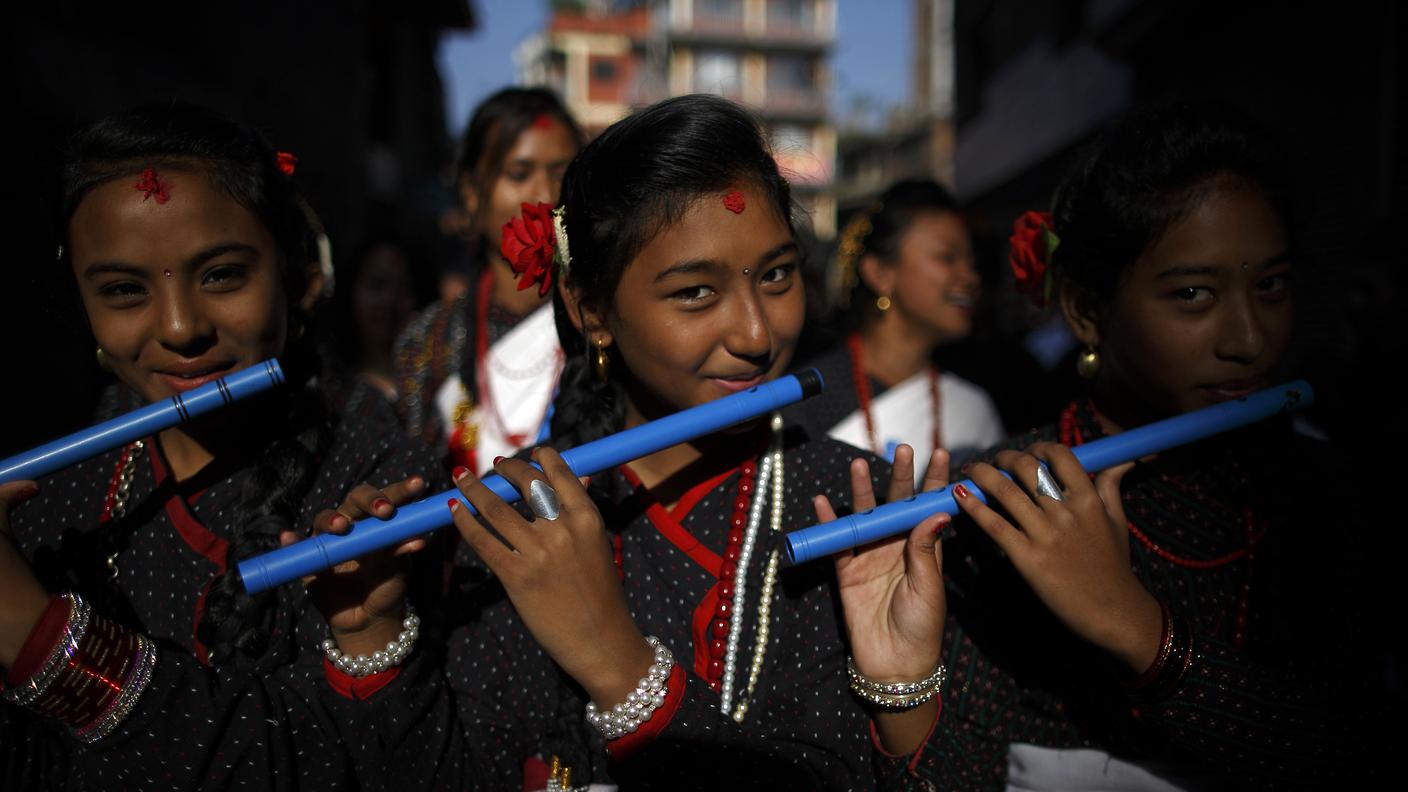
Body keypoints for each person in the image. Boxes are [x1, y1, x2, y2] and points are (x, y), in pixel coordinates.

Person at [402, 94, 952, 790]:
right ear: (590, 310)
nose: (756, 335)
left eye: (777, 275)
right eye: (695, 292)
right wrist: (372, 633)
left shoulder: (856, 514)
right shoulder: (529, 529)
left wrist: (903, 695)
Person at [927, 103, 1378, 788]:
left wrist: (1133, 625)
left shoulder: (1327, 490)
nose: (1249, 340)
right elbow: (958, 765)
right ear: (1085, 309)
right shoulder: (1003, 503)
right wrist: (894, 681)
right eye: (1194, 295)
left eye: (1272, 285)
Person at [0, 103, 448, 790]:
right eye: (124, 291)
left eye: (221, 276)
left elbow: (352, 766)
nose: (180, 328)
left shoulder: (388, 489)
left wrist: (38, 634)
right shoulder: (49, 507)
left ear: (299, 280)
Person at [394, 88, 583, 475]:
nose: (545, 195)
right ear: (470, 192)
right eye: (519, 174)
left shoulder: (603, 320)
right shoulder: (430, 342)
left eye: (562, 174)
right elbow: (414, 478)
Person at [799, 179, 1005, 474]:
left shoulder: (973, 407)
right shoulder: (811, 396)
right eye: (947, 257)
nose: (971, 278)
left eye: (972, 264)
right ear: (880, 273)